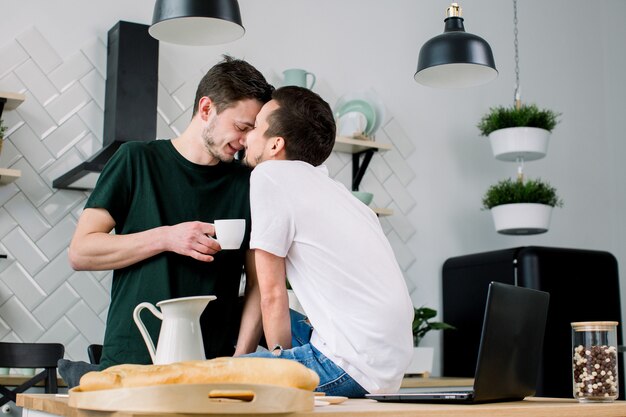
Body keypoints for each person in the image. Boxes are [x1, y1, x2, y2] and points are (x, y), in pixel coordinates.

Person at [59, 56, 274, 387]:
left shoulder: (247, 184)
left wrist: (240, 359)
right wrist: (166, 237)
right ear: (206, 109)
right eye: (241, 127)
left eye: (252, 131)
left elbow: (260, 286)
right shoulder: (136, 160)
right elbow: (81, 252)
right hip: (131, 367)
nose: (245, 141)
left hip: (210, 373)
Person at [238, 86, 414, 397]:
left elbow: (273, 295)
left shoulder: (269, 176)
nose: (246, 136)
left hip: (349, 368)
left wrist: (282, 367)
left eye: (254, 127)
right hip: (384, 369)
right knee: (240, 312)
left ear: (276, 145)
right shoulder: (344, 197)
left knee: (218, 377)